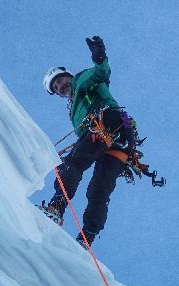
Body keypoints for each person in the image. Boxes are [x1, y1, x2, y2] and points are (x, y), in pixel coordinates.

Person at [42, 36, 135, 247]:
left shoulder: (81, 81)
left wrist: (99, 57)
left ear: (69, 76)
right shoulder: (75, 106)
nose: (60, 86)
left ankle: (57, 206)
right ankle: (87, 238)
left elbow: (101, 73)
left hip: (106, 125)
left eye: (60, 80)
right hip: (120, 140)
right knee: (98, 190)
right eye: (56, 87)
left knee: (72, 164)